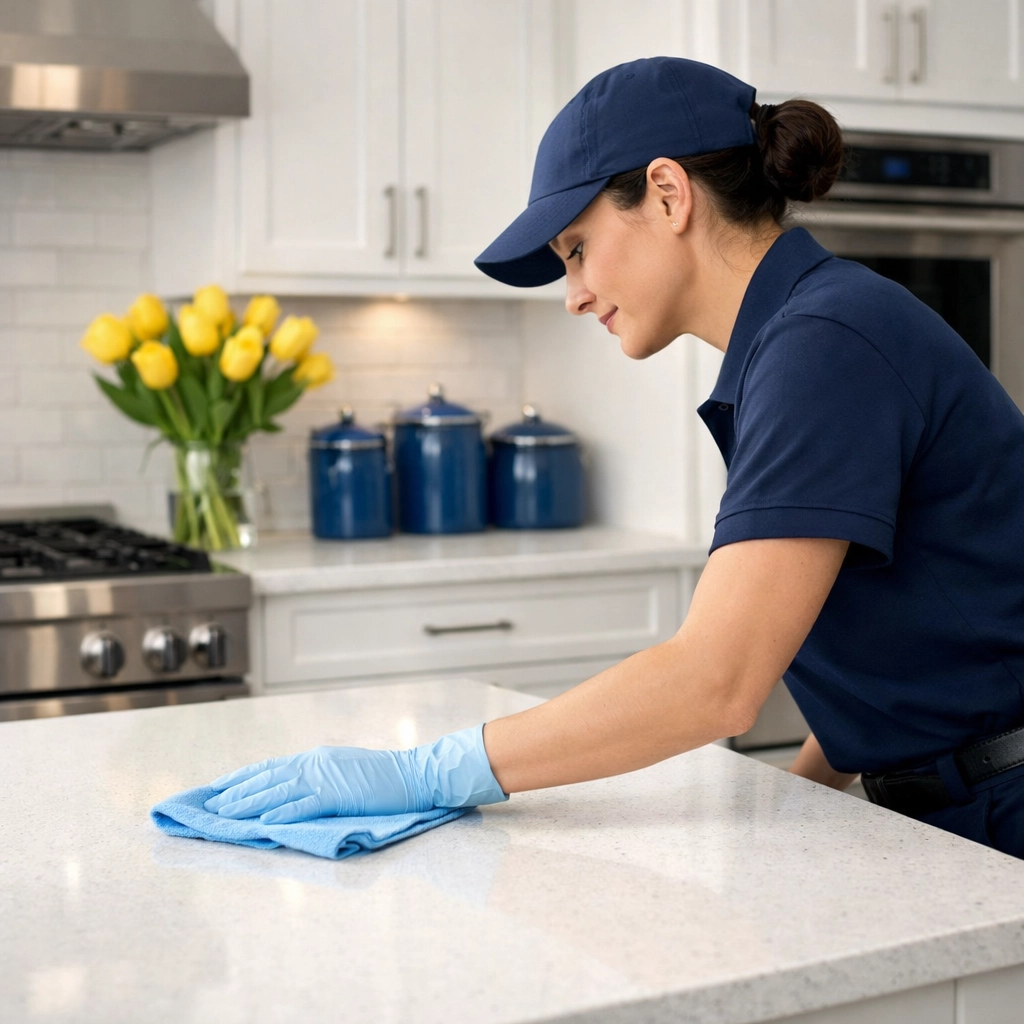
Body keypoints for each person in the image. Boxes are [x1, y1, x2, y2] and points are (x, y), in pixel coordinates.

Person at [205, 57, 1024, 858]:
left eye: (576, 249)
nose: (575, 294)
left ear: (668, 195)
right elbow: (885, 649)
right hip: (953, 808)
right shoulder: (803, 334)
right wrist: (796, 803)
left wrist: (432, 769)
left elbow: (718, 680)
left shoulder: (821, 345)